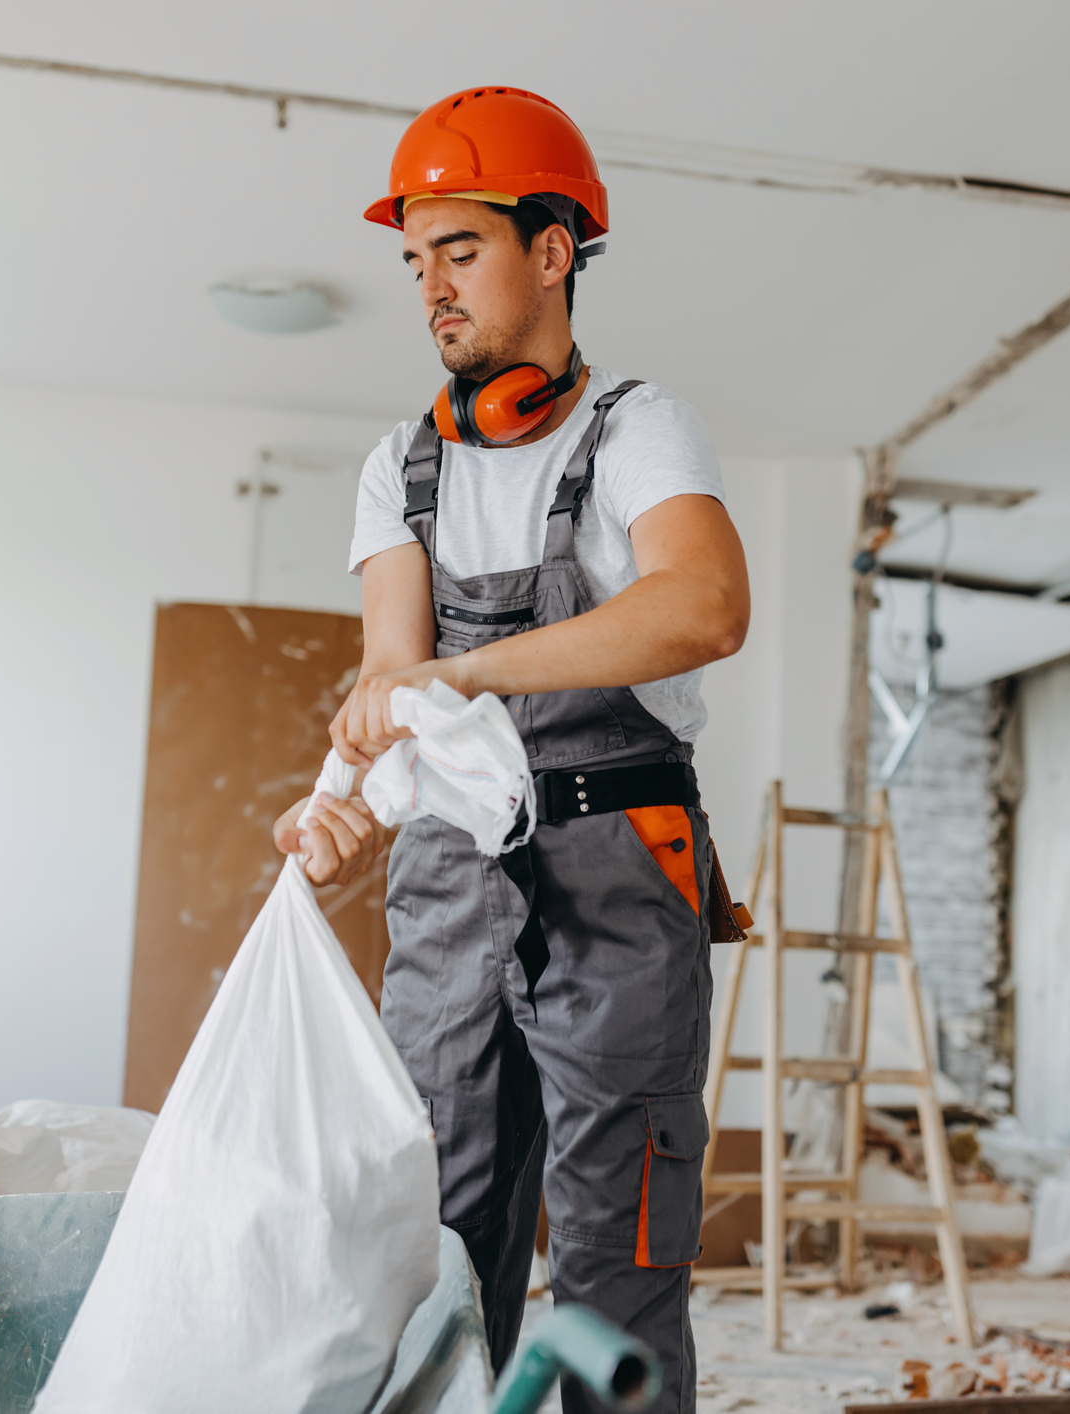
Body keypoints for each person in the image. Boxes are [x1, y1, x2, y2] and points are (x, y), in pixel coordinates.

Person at [273, 86, 749, 1414]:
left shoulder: (639, 430)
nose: (430, 285)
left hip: (621, 865)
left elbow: (705, 605)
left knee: (618, 1252)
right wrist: (345, 797)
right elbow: (391, 679)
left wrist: (464, 675)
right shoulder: (400, 465)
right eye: (415, 258)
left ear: (553, 250)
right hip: (449, 880)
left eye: (460, 249)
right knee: (432, 1245)